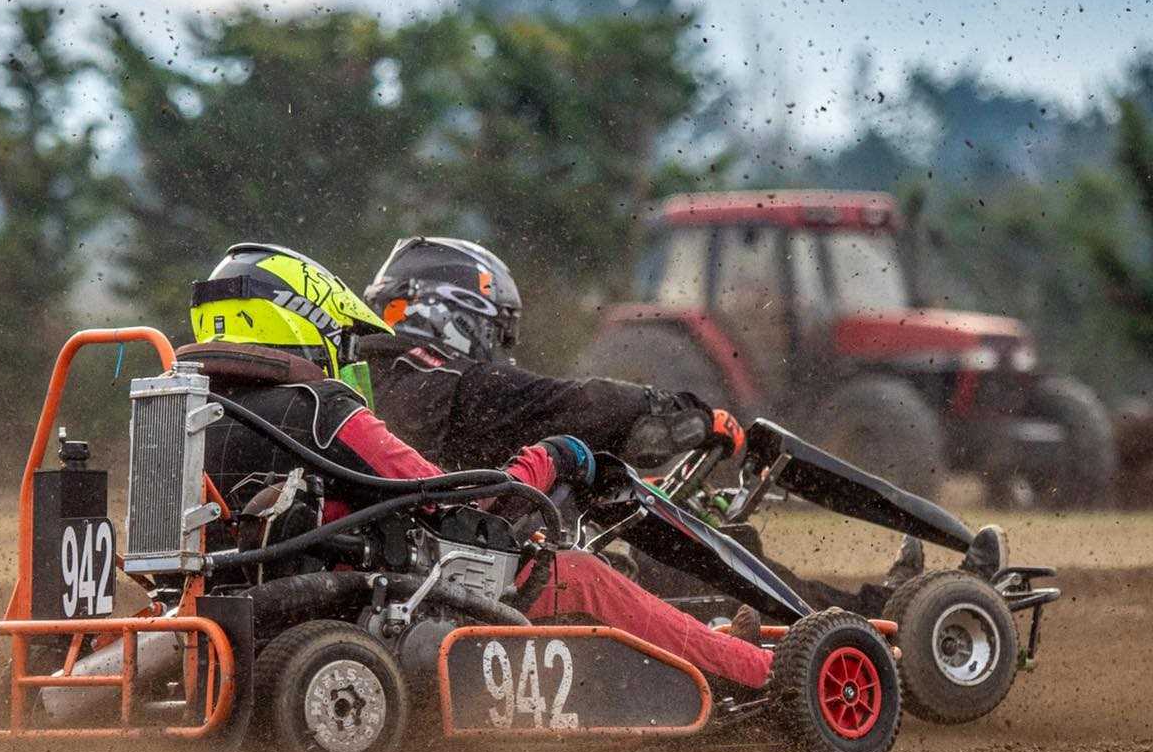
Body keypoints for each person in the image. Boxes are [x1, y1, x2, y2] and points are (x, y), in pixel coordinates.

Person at [187, 241, 772, 689]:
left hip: (252, 602)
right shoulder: (322, 405)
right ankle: (755, 670)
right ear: (299, 319)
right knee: (584, 574)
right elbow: (439, 499)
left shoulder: (191, 410)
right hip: (374, 601)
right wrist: (550, 458)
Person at [360, 235, 1010, 617]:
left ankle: (863, 608)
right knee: (672, 543)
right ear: (459, 315)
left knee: (675, 536)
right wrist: (685, 417)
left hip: (473, 564)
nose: (500, 350)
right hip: (496, 578)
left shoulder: (379, 387)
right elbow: (566, 400)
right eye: (498, 332)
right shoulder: (440, 383)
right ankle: (862, 622)